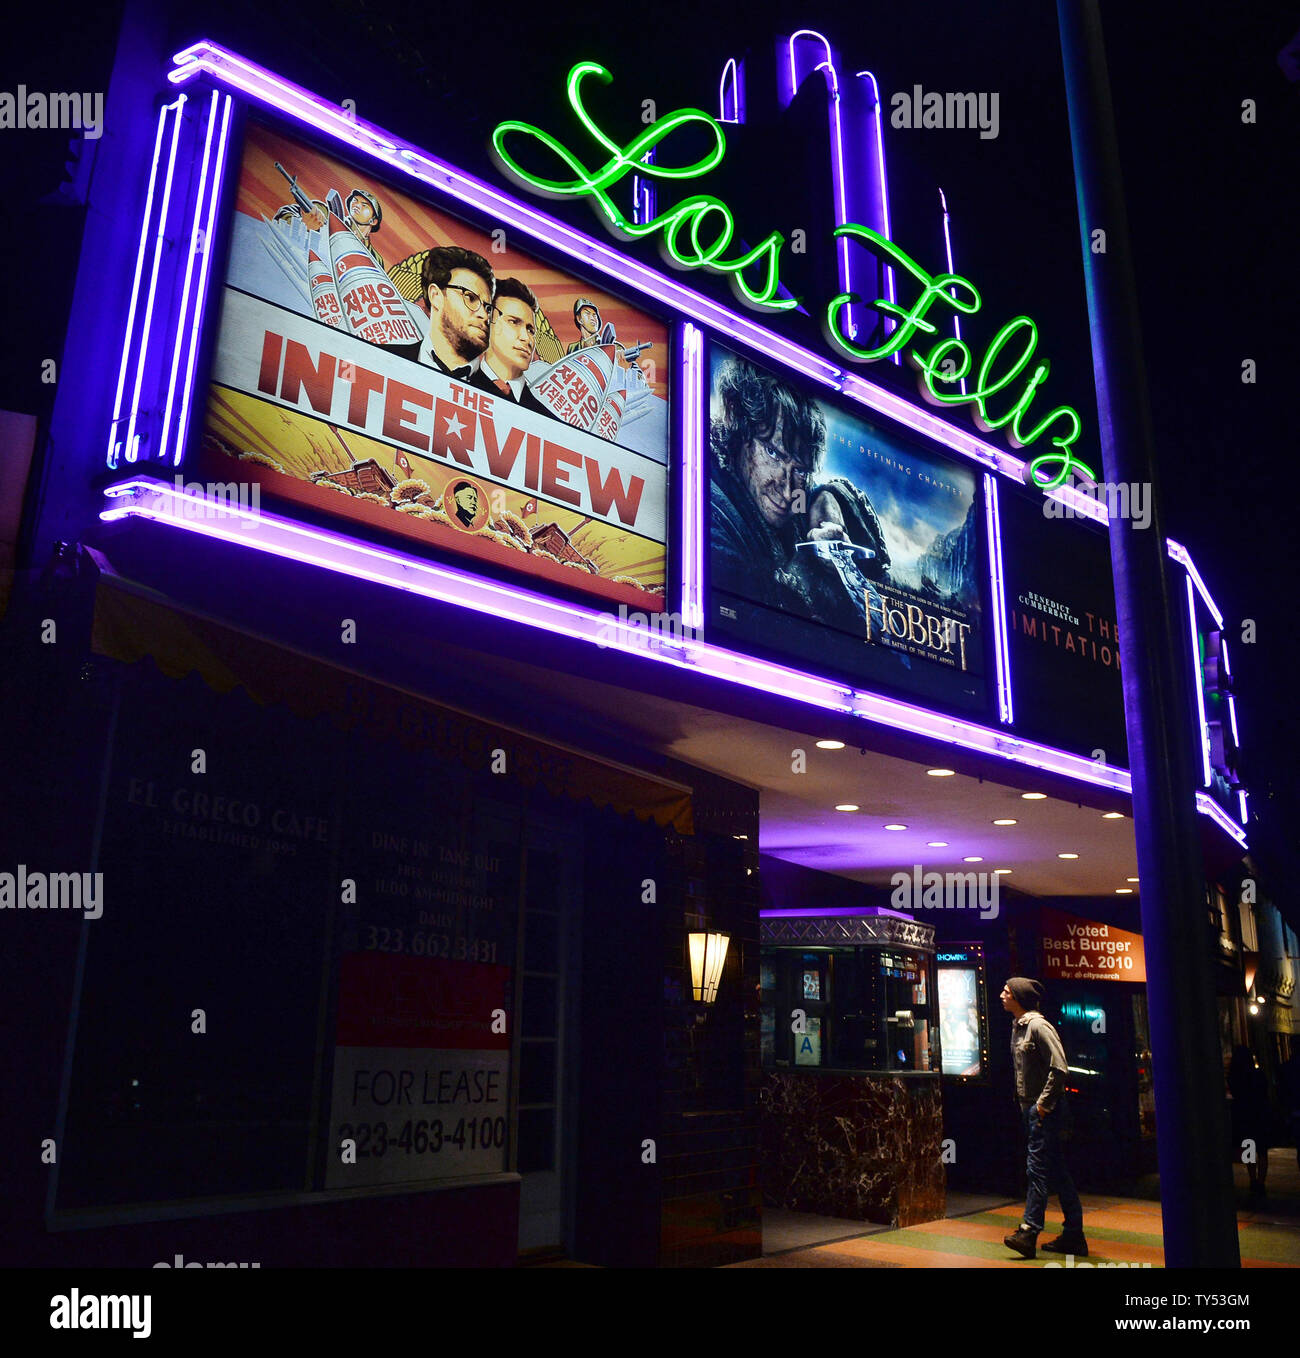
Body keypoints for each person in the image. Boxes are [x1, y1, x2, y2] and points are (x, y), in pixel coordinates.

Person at [1000, 977, 1086, 1259]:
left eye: (1007, 991)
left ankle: (1029, 1231)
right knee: (1058, 1172)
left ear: (1019, 997)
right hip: (1033, 1111)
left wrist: (1041, 1107)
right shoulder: (1018, 1027)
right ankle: (1074, 1235)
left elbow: (1059, 1068)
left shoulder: (1038, 1026)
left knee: (1036, 1169)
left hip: (1044, 1112)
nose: (1002, 995)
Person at [471, 277, 555, 419]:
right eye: (514, 322)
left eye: (530, 330)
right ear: (487, 320)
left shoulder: (548, 422)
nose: (526, 338)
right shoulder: (453, 382)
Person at [406, 245, 495, 379]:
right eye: (470, 298)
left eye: (488, 308)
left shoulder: (499, 399)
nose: (484, 315)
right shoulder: (382, 359)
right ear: (435, 296)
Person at [1228, 1045, 1271, 1195]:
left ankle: (1253, 1179)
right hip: (1259, 1114)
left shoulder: (1235, 1076)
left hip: (1244, 1115)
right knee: (1262, 1151)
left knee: (1249, 1148)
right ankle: (1261, 1181)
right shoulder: (1258, 1074)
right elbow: (1265, 1093)